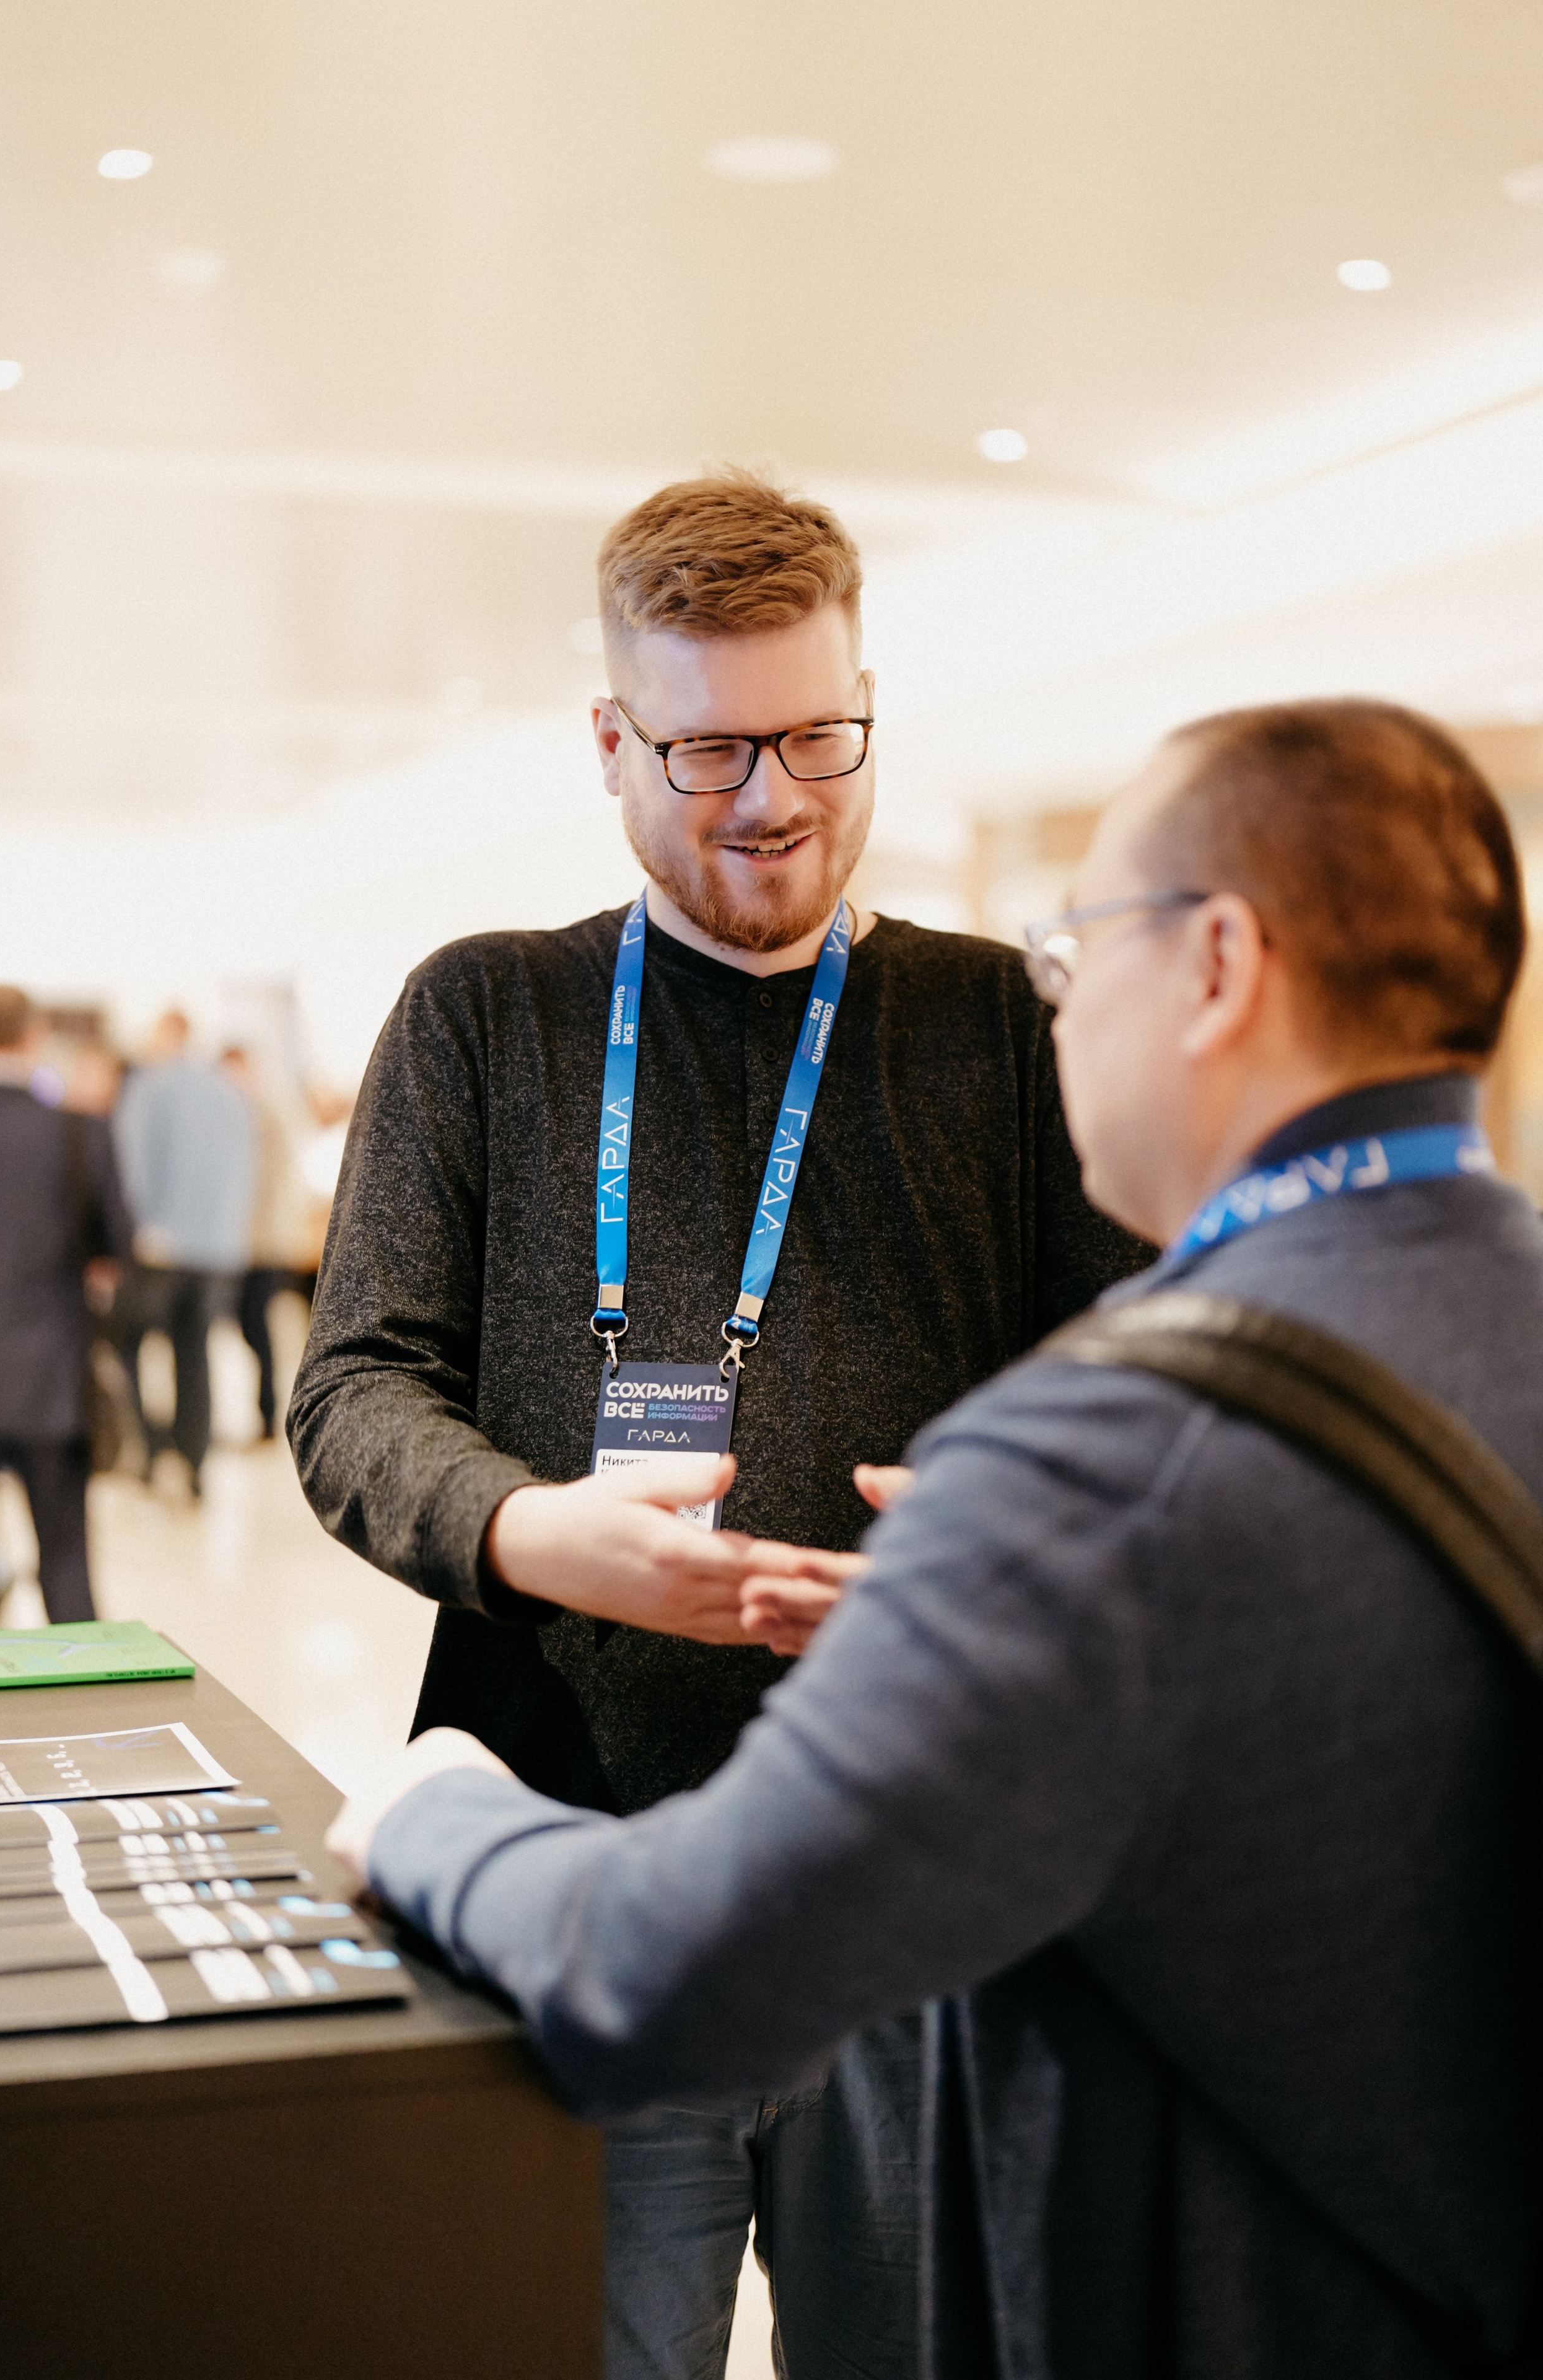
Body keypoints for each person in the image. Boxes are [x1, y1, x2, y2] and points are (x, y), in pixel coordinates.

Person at [331, 698, 1543, 2380]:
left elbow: (666, 1970)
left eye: (1081, 945)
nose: (1054, 1002)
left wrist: (432, 1809)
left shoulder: (1108, 1460)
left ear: (1216, 967)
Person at [289, 470, 1147, 2380]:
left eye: (819, 735)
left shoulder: (1003, 1021)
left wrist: (996, 1526)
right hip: (567, 1850)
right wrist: (529, 1533)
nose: (772, 797)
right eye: (706, 749)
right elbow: (356, 1387)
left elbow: (1135, 1375)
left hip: (909, 1881)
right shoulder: (484, 1016)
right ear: (610, 738)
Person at [0, 985, 131, 1627]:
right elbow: (119, 1249)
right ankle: (85, 1717)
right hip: (52, 1378)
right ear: (34, 1039)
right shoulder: (79, 1133)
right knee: (66, 1564)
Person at [113, 1010, 256, 1494]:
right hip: (218, 1250)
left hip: (161, 1248)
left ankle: (151, 1450)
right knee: (195, 1356)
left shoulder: (151, 1086)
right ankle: (195, 1460)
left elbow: (132, 1166)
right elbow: (243, 1171)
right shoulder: (228, 1092)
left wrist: (134, 1232)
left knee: (125, 1345)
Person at [218, 1045, 311, 1439]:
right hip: (241, 1243)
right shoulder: (236, 1115)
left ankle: (270, 1416)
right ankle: (264, 1413)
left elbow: (269, 1184)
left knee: (258, 1328)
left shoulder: (265, 1113)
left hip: (263, 1244)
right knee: (248, 1328)